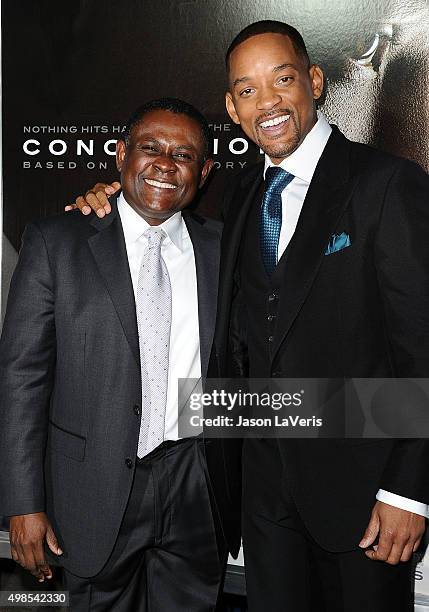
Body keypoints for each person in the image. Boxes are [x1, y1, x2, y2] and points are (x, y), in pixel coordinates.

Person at [69, 20, 429, 612]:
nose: (267, 102)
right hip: (261, 500)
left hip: (364, 497)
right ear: (232, 109)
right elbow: (163, 218)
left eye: (281, 79)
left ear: (314, 81)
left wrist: (408, 494)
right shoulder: (240, 194)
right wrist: (109, 201)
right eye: (247, 89)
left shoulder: (386, 185)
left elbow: (422, 350)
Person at [0, 98, 237, 612]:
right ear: (120, 154)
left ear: (205, 170)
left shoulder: (224, 250)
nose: (166, 163)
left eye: (184, 154)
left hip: (197, 483)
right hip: (93, 488)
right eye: (150, 148)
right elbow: (22, 378)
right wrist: (23, 504)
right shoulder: (56, 241)